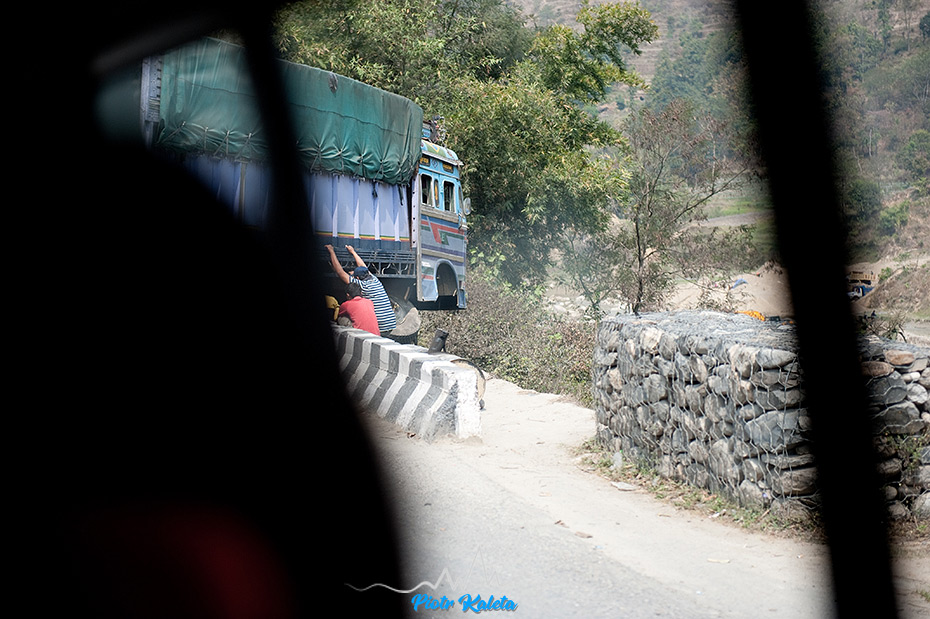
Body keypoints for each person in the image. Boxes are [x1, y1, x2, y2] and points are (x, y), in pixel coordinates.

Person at [325, 244, 397, 336]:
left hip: (381, 328)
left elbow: (340, 272)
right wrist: (353, 252)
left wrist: (331, 251)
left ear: (357, 278)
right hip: (391, 324)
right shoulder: (374, 279)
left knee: (344, 319)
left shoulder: (362, 286)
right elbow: (363, 266)